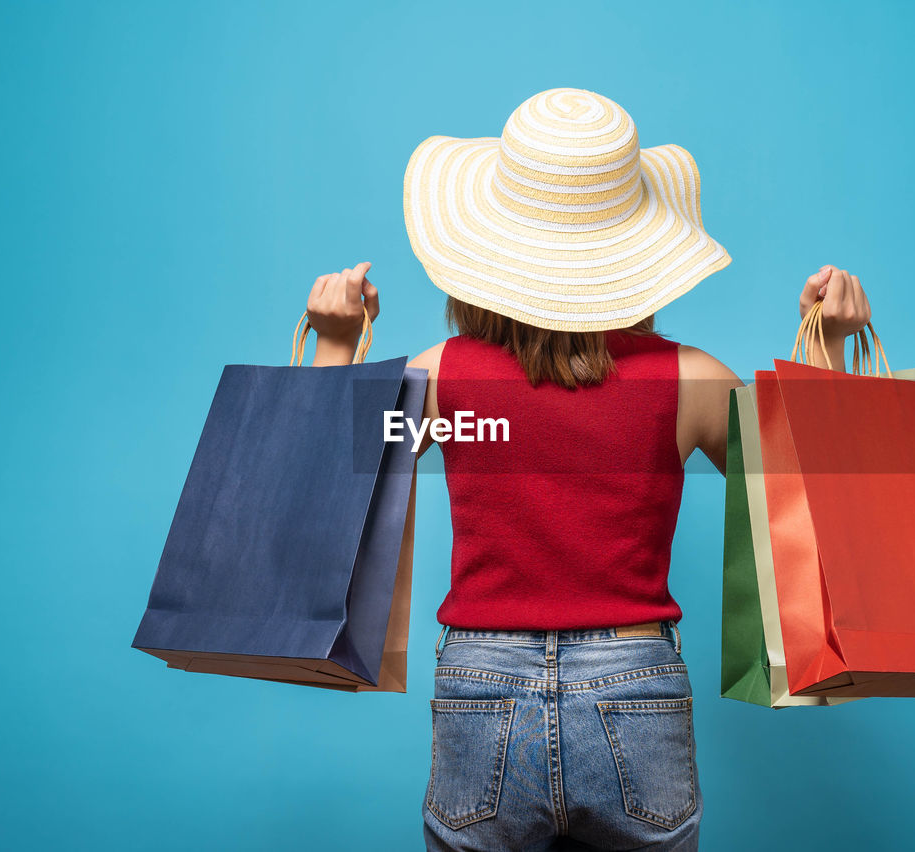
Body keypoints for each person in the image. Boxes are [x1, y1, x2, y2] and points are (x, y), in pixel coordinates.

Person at [303, 88, 872, 851]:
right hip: (637, 683)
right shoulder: (691, 382)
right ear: (635, 253)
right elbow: (806, 495)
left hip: (482, 687)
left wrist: (339, 342)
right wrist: (829, 348)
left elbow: (330, 483)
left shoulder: (445, 381)